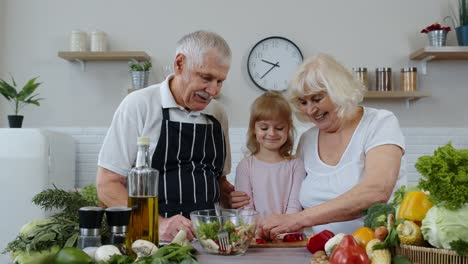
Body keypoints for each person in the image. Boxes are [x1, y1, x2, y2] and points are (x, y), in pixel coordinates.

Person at [233, 53, 407, 238]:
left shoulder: (379, 123)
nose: (310, 110)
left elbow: (376, 192)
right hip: (320, 252)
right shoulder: (307, 140)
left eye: (317, 99)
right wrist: (239, 198)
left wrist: (298, 219)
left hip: (377, 246)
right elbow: (287, 188)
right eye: (303, 102)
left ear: (338, 91)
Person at [96, 30, 235, 242]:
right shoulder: (139, 105)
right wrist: (157, 223)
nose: (213, 90)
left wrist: (230, 196)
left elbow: (219, 179)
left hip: (211, 241)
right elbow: (107, 185)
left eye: (220, 81)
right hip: (151, 240)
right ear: (180, 64)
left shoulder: (217, 113)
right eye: (206, 78)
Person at [234, 91, 305, 219]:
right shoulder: (245, 166)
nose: (272, 133)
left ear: (288, 129)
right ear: (254, 129)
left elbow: (295, 206)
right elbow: (246, 210)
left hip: (289, 234)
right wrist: (261, 230)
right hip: (256, 235)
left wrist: (282, 228)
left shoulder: (296, 165)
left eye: (279, 128)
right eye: (264, 128)